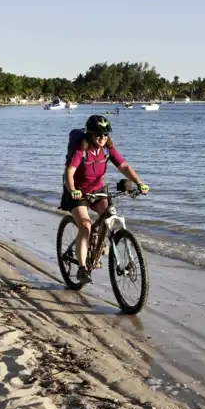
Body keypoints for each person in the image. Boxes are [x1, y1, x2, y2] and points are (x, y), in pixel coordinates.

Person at [60, 114, 148, 284]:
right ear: (90, 134)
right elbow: (69, 172)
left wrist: (139, 183)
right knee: (85, 227)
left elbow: (123, 166)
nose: (102, 138)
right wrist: (73, 190)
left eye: (105, 134)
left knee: (108, 217)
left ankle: (98, 244)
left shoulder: (107, 149)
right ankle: (82, 268)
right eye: (98, 134)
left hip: (98, 191)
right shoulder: (81, 149)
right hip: (78, 193)